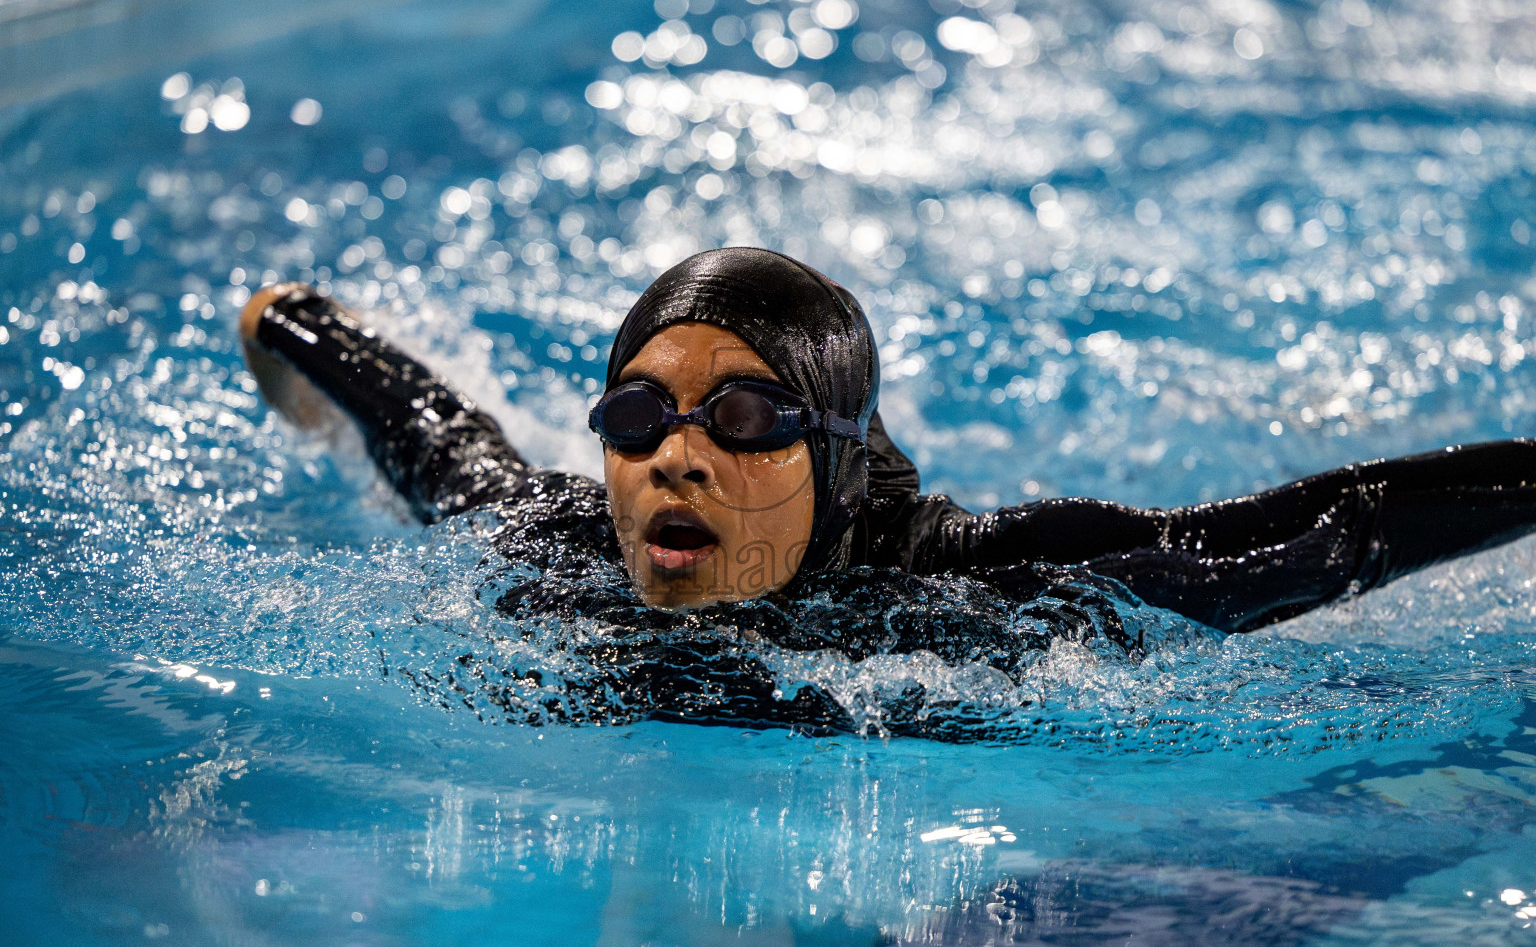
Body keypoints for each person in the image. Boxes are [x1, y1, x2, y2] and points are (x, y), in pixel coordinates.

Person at [240, 248, 1536, 730]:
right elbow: (440, 446)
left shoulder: (983, 591)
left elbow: (1294, 536)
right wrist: (301, 331)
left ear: (837, 455)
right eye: (636, 416)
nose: (673, 458)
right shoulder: (558, 549)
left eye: (742, 418)